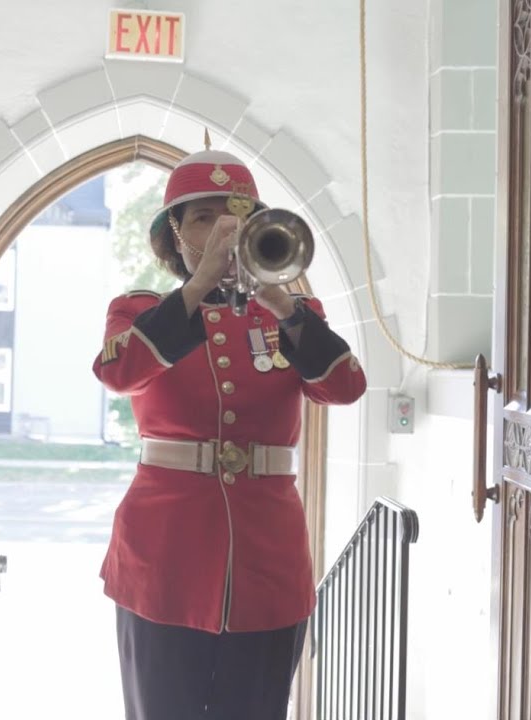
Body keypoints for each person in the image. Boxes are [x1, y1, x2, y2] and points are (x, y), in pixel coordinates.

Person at [92, 146, 367, 719]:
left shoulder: (293, 312)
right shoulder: (139, 310)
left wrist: (284, 306)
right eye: (202, 217)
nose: (223, 229)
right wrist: (197, 291)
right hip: (163, 557)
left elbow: (345, 387)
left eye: (237, 217)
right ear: (175, 235)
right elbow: (119, 373)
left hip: (267, 558)